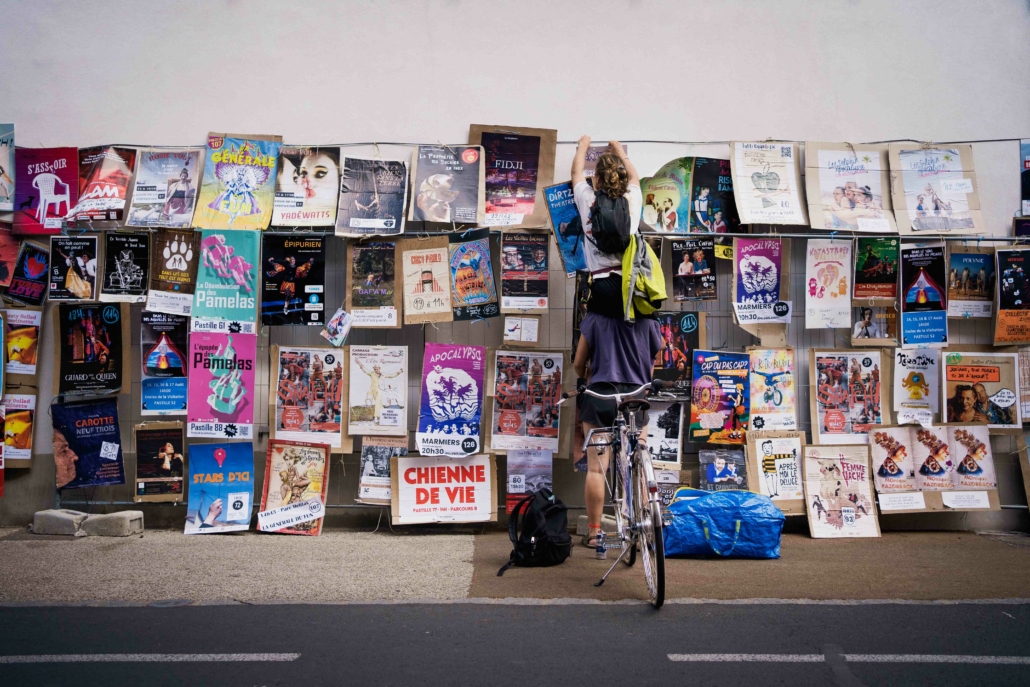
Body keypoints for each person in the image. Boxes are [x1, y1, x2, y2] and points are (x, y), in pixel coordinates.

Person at [571, 136, 661, 549]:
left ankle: (594, 533)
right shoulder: (633, 202)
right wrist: (620, 149)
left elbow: (576, 174)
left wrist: (582, 146)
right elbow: (637, 178)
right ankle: (645, 521)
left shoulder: (587, 201)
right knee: (639, 447)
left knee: (596, 466)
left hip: (602, 293)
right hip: (632, 297)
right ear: (622, 180)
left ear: (595, 180)